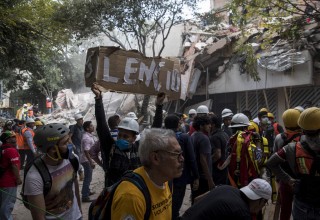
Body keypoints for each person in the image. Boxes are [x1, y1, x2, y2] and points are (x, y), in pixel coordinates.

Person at [111, 128, 184, 219]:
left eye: (181, 153)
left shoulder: (165, 180)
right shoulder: (131, 197)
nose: (182, 159)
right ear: (155, 158)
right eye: (176, 154)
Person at [267, 107, 320, 220]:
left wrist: (286, 179)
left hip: (296, 189)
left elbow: (272, 161)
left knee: (285, 208)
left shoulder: (287, 144)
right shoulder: (298, 140)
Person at [23, 123, 82, 219]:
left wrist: (80, 213)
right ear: (53, 149)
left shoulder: (72, 159)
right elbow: (39, 217)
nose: (71, 143)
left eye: (69, 139)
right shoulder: (34, 177)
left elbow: (75, 189)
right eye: (65, 142)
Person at [91, 83, 140, 187]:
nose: (121, 138)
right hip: (114, 193)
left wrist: (159, 106)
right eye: (120, 135)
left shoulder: (138, 149)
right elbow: (101, 125)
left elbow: (155, 130)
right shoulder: (111, 147)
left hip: (134, 192)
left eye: (126, 136)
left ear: (134, 138)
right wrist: (98, 99)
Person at [161, 114, 199, 219]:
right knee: (175, 207)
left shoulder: (161, 137)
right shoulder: (184, 137)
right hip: (180, 177)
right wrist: (196, 176)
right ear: (178, 124)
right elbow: (192, 158)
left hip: (164, 177)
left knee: (164, 204)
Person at [181, 178, 272, 220]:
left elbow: (197, 199)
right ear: (262, 201)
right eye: (265, 204)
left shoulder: (226, 187)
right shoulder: (243, 214)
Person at [272, 109, 302, 220]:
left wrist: (278, 178)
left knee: (285, 209)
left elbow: (274, 157)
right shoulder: (303, 137)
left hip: (285, 179)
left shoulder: (279, 138)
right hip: (300, 179)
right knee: (300, 207)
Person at [190, 114, 214, 203]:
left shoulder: (193, 135)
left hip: (195, 175)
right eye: (208, 124)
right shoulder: (204, 138)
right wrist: (210, 180)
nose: (210, 126)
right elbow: (203, 160)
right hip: (203, 177)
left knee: (195, 199)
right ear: (201, 126)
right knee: (202, 202)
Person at [0, 131, 22, 220]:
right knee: (8, 203)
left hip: (2, 180)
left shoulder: (2, 149)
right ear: (7, 140)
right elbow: (14, 166)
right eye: (12, 137)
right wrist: (18, 179)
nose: (15, 138)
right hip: (9, 182)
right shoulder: (11, 150)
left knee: (2, 203)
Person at [209, 114, 229, 185]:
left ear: (213, 125)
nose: (208, 126)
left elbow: (217, 154)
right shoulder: (225, 134)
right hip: (225, 168)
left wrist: (208, 162)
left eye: (209, 124)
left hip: (217, 170)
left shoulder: (214, 137)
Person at [80, 121, 96, 202]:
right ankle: (85, 196)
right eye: (91, 126)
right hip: (86, 160)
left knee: (88, 177)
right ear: (87, 128)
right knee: (88, 178)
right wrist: (91, 161)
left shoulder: (88, 135)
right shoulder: (86, 138)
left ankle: (86, 191)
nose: (93, 127)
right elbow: (86, 151)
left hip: (86, 159)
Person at [70, 113, 85, 181]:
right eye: (80, 119)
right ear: (77, 120)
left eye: (82, 119)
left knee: (81, 160)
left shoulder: (82, 127)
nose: (81, 120)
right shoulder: (74, 127)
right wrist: (72, 145)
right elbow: (69, 137)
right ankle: (80, 174)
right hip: (76, 146)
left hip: (82, 146)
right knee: (78, 160)